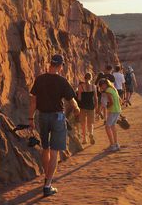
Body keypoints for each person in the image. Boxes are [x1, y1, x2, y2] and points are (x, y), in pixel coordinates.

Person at [29, 54, 80, 197]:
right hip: (57, 117)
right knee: (54, 151)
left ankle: (46, 177)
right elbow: (71, 100)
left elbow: (33, 101)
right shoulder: (62, 81)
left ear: (50, 64)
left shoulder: (39, 79)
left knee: (45, 148)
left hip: (42, 116)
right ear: (60, 66)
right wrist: (77, 110)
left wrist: (30, 118)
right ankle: (48, 185)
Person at [98, 78, 121, 151]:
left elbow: (111, 102)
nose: (101, 88)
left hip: (113, 110)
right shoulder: (113, 88)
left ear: (104, 85)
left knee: (107, 127)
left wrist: (107, 107)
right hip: (117, 110)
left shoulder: (108, 90)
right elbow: (119, 100)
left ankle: (112, 145)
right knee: (113, 126)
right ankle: (116, 144)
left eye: (101, 86)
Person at [77, 72, 98, 145]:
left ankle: (84, 139)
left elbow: (79, 98)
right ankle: (91, 133)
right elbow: (95, 98)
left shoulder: (80, 86)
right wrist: (96, 106)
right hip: (91, 106)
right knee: (90, 122)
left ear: (84, 78)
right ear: (91, 78)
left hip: (83, 106)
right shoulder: (94, 86)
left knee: (83, 123)